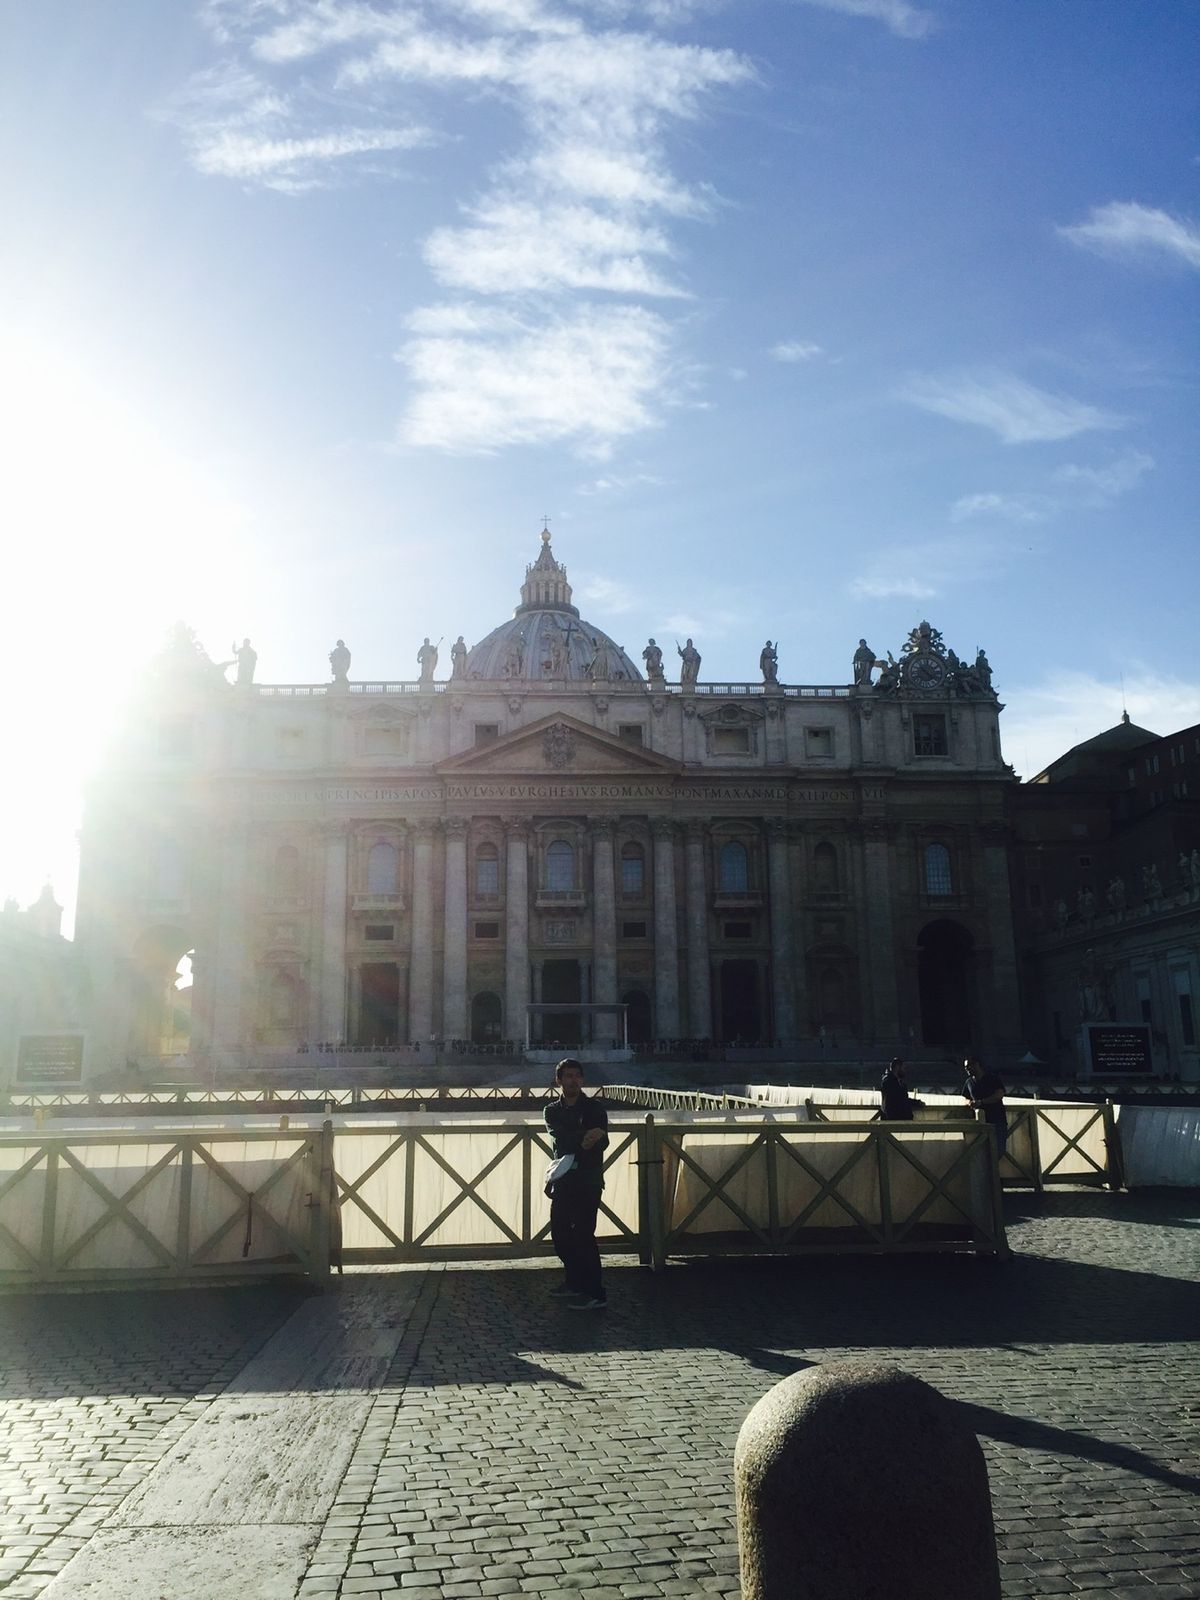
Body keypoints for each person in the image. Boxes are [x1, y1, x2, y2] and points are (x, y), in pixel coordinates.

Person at [543, 1058, 609, 1309]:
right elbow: (561, 1140)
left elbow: (603, 1141)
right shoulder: (551, 1110)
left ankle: (595, 1292)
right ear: (559, 1080)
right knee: (560, 1234)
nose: (573, 1080)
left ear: (582, 1079)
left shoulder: (595, 1107)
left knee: (583, 1234)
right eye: (568, 1076)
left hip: (589, 1179)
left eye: (577, 1076)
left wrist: (581, 1138)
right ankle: (574, 1281)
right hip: (563, 1179)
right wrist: (586, 1137)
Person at [962, 1057, 1007, 1160]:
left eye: (969, 1066)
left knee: (998, 1150)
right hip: (979, 1122)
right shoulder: (968, 1082)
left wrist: (981, 1102)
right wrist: (970, 1103)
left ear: (977, 1065)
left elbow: (999, 1095)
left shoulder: (992, 1078)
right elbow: (965, 1097)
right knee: (981, 1152)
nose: (967, 1069)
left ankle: (993, 1174)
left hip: (997, 1119)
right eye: (965, 1067)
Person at [880, 1057, 921, 1121]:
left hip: (894, 1118)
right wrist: (917, 1103)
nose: (905, 1070)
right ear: (897, 1067)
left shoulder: (891, 1082)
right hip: (895, 1119)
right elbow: (900, 1100)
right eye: (903, 1068)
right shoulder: (891, 1083)